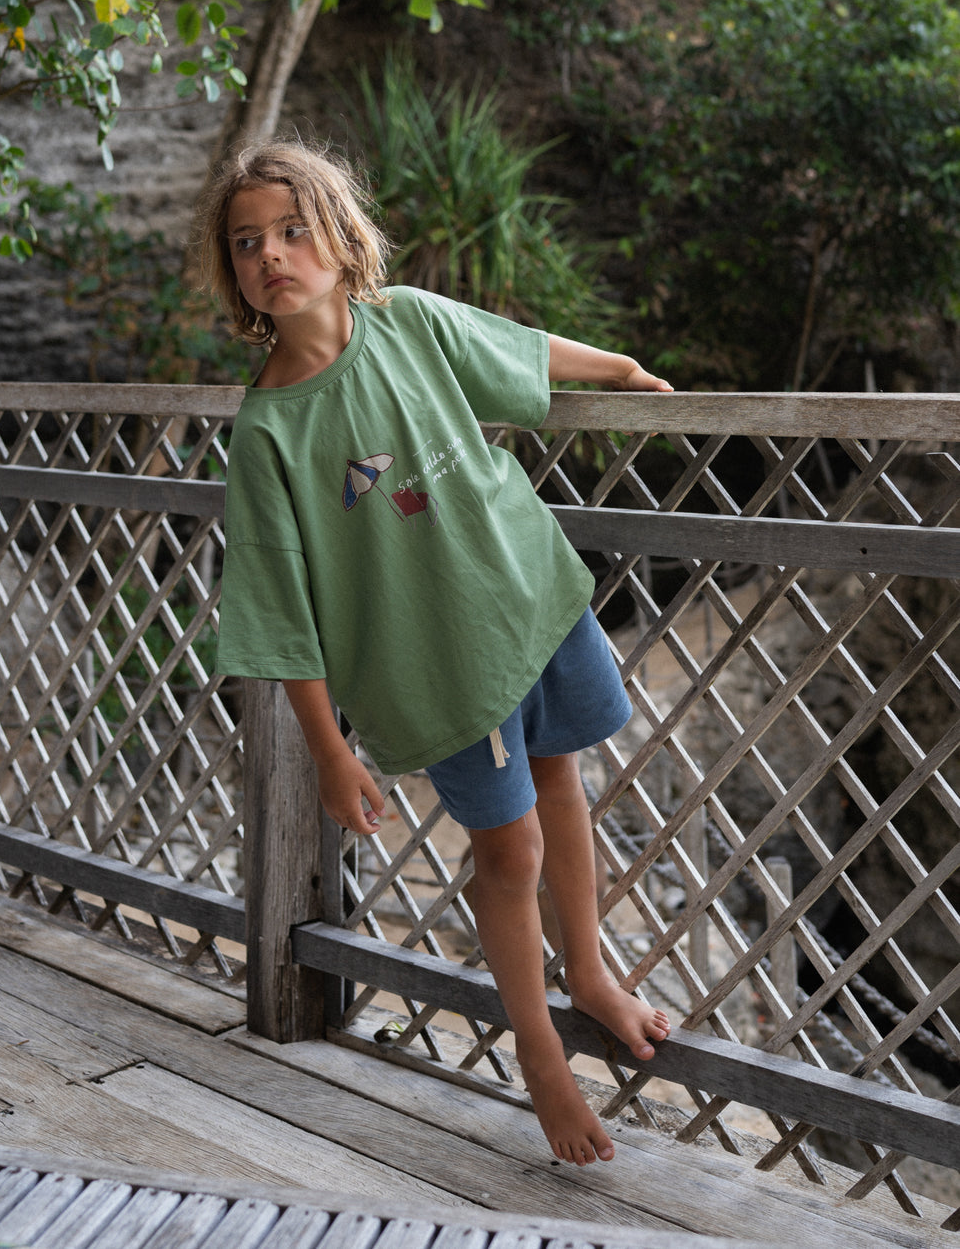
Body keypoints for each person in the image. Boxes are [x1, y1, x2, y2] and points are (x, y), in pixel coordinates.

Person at [197, 137, 673, 1168]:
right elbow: (279, 612)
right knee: (505, 856)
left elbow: (516, 350)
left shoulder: (406, 319)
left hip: (528, 596)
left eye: (291, 229)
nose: (271, 254)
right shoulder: (267, 431)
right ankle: (540, 1054)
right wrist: (327, 750)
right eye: (247, 243)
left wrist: (621, 367)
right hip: (433, 662)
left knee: (561, 781)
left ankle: (588, 974)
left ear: (337, 235)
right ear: (233, 272)